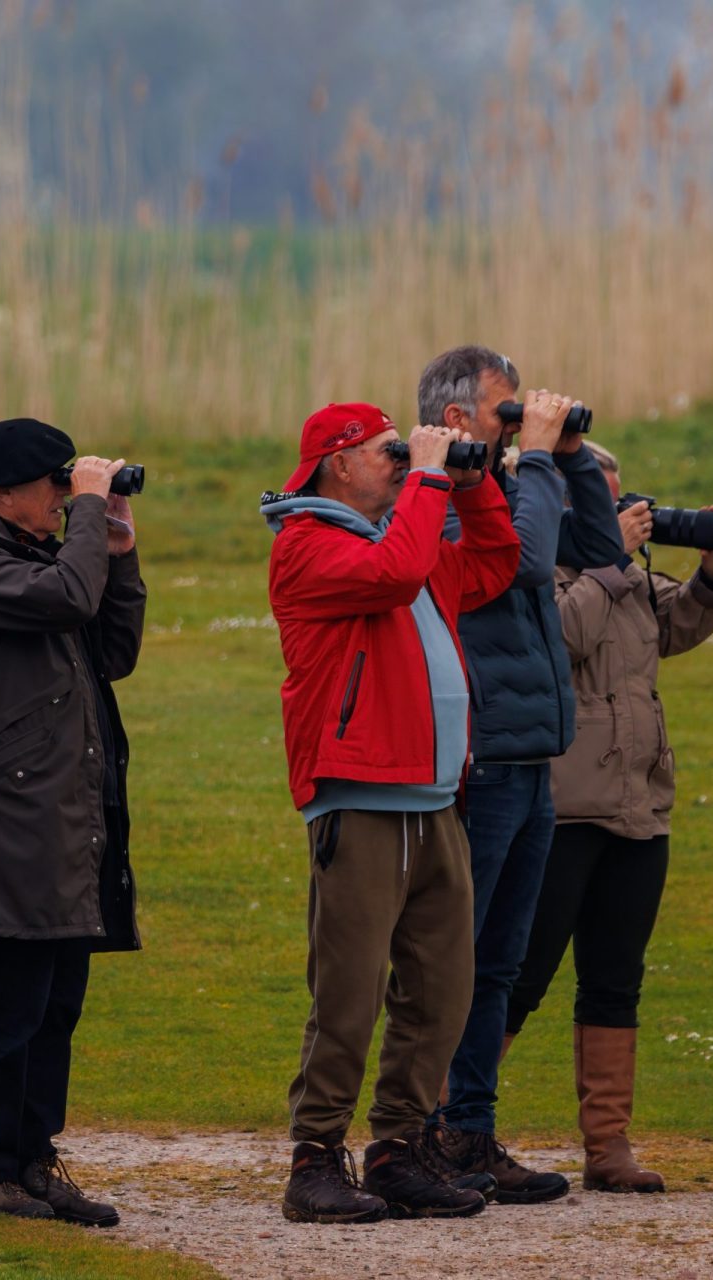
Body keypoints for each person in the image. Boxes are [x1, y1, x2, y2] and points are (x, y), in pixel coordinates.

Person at [262, 403, 520, 1224]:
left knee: (443, 989)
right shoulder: (307, 545)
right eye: (388, 452)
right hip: (360, 795)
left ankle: (399, 1150)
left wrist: (471, 488)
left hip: (435, 795)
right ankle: (315, 1156)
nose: (403, 461)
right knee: (349, 990)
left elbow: (492, 564)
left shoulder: (401, 530)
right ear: (338, 463)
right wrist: (434, 477)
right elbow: (400, 576)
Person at [0, 417, 146, 1227]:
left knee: (55, 1001)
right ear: (7, 493)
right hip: (5, 818)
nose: (64, 498)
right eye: (57, 486)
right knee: (11, 1000)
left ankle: (27, 1158)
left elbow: (111, 646)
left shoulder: (38, 558)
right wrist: (88, 522)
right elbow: (67, 599)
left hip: (58, 813)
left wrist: (117, 548)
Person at [415, 345, 624, 1202]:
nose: (520, 423)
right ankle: (419, 1133)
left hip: (535, 751)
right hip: (484, 751)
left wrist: (567, 458)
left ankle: (472, 1133)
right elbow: (529, 563)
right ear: (458, 418)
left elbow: (601, 553)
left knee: (499, 961)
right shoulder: (437, 493)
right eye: (508, 411)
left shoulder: (515, 481)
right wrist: (535, 457)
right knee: (455, 956)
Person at [505, 441, 713, 1193]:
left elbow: (675, 627)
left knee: (615, 981)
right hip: (565, 808)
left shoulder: (627, 578)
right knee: (521, 975)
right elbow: (557, 638)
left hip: (640, 807)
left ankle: (608, 1147)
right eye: (599, 501)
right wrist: (611, 565)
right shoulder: (534, 571)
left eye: (618, 497)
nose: (620, 511)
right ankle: (449, 1122)